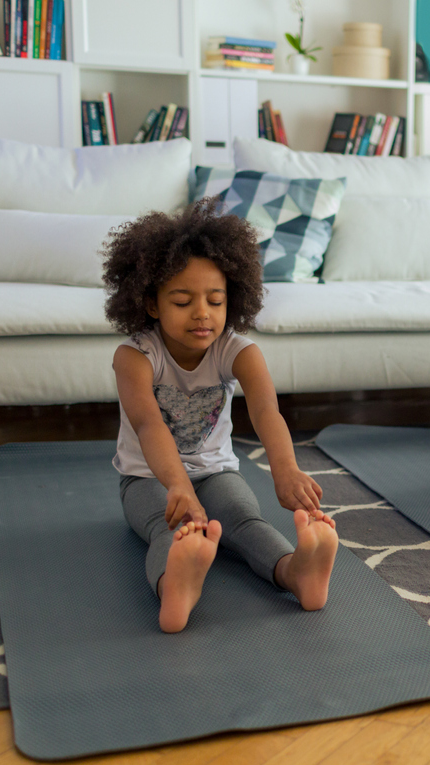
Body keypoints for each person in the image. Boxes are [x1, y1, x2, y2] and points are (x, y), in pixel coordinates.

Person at [103, 199, 338, 633]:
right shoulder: (134, 356)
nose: (202, 313)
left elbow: (266, 410)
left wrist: (284, 469)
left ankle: (294, 571)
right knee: (171, 529)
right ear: (152, 304)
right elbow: (148, 424)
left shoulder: (238, 350)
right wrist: (176, 486)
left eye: (215, 300)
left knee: (245, 521)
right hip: (148, 478)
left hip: (216, 472)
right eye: (182, 300)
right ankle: (176, 585)